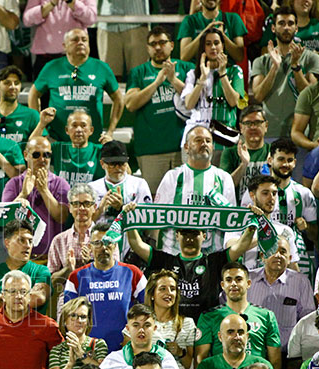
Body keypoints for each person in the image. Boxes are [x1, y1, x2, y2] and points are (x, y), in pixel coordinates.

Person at [123, 202, 255, 321]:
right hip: (174, 327)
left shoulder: (214, 261)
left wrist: (251, 227)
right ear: (177, 236)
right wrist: (129, 219)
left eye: (195, 234)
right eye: (185, 234)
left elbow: (240, 247)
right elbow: (137, 244)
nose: (189, 239)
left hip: (208, 327)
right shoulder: (166, 261)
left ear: (204, 236)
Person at [126, 26, 193, 193]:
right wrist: (156, 82)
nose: (157, 47)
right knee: (154, 199)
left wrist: (173, 79)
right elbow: (131, 104)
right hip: (151, 150)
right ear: (147, 48)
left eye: (162, 43)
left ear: (171, 45)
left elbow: (196, 100)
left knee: (185, 197)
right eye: (153, 44)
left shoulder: (187, 68)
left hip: (183, 147)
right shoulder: (138, 72)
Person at [29, 28, 123, 145]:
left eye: (84, 40)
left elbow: (118, 98)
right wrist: (40, 126)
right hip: (57, 141)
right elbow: (33, 94)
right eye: (75, 40)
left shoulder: (102, 68)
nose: (80, 43)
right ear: (64, 46)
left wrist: (110, 131)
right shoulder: (52, 67)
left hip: (92, 142)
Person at [63, 222, 147, 353]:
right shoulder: (76, 277)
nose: (103, 247)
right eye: (97, 243)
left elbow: (149, 309)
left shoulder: (133, 273)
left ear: (115, 245)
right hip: (87, 352)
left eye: (108, 242)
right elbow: (69, 318)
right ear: (90, 246)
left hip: (125, 351)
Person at [154, 125, 237, 255]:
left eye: (208, 141)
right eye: (198, 140)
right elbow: (156, 218)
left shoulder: (224, 178)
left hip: (213, 255)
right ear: (186, 147)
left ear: (213, 147)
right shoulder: (173, 176)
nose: (204, 144)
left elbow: (232, 221)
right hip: (174, 254)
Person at [196, 262, 282, 369]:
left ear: (248, 283)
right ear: (222, 285)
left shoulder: (266, 316)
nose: (233, 284)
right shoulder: (208, 317)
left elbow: (275, 360)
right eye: (228, 280)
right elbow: (200, 359)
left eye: (238, 279)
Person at [251, 138, 318, 281]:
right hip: (263, 255)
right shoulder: (253, 193)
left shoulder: (304, 194)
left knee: (298, 289)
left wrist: (306, 227)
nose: (285, 164)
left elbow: (315, 235)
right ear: (270, 160)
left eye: (290, 160)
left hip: (296, 258)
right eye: (281, 159)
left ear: (295, 162)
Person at [251, 6, 319, 140]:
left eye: (290, 23)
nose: (286, 28)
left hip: (300, 134)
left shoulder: (311, 58)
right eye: (281, 23)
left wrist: (296, 66)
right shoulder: (261, 61)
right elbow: (258, 96)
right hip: (270, 133)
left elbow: (310, 97)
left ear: (296, 28)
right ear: (273, 28)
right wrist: (274, 67)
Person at [179, 27, 244, 157]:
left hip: (224, 140)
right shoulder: (192, 74)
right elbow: (189, 104)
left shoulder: (235, 71)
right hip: (195, 139)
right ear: (203, 48)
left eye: (216, 43)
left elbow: (233, 102)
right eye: (208, 44)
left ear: (223, 46)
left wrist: (222, 73)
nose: (213, 47)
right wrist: (202, 78)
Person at [3, 136, 70, 259]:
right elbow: (6, 219)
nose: (42, 159)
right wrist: (23, 193)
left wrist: (44, 191)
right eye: (36, 155)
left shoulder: (61, 183)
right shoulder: (13, 183)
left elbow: (62, 217)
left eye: (46, 155)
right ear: (26, 155)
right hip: (19, 257)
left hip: (52, 256)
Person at [248, 237, 315, 351]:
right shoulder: (247, 278)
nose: (277, 255)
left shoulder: (301, 282)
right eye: (272, 251)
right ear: (262, 256)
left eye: (282, 251)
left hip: (287, 352)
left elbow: (308, 320)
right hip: (253, 351)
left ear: (289, 259)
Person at [224, 175, 301, 271]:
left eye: (274, 193)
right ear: (252, 195)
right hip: (246, 278)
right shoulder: (237, 226)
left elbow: (293, 265)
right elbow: (232, 250)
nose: (271, 198)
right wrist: (268, 237)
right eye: (265, 193)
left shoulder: (284, 230)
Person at [0, 219, 52, 315]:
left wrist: (0, 299)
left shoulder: (41, 271)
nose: (28, 246)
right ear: (7, 243)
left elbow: (37, 299)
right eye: (21, 240)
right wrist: (23, 298)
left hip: (30, 324)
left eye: (30, 241)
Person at [48, 298, 108, 369]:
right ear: (65, 321)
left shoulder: (98, 344)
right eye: (73, 316)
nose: (78, 320)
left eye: (83, 317)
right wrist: (70, 364)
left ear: (88, 321)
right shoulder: (57, 350)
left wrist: (81, 353)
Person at [140, 270, 196, 369]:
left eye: (172, 289)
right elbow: (128, 359)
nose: (169, 293)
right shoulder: (140, 323)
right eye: (162, 289)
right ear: (152, 295)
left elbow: (190, 365)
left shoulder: (188, 323)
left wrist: (180, 352)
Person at [48, 184, 98, 302]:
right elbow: (51, 281)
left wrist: (91, 264)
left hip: (98, 297)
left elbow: (114, 275)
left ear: (94, 207)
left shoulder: (106, 238)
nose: (81, 208)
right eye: (76, 204)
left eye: (86, 203)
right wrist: (67, 269)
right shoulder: (59, 240)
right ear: (70, 208)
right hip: (68, 300)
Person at [89, 140, 152, 231]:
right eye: (112, 164)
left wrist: (121, 208)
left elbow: (147, 220)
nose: (118, 168)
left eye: (121, 163)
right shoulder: (92, 188)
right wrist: (100, 209)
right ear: (102, 164)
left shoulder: (139, 184)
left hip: (130, 237)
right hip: (99, 238)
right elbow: (84, 224)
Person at [22, 0, 96, 78]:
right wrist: (50, 4)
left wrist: (73, 3)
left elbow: (91, 18)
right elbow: (27, 20)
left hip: (76, 58)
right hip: (46, 59)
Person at [31, 108, 104, 187]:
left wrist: (111, 146)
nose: (79, 129)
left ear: (91, 130)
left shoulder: (101, 150)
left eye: (83, 126)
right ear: (67, 130)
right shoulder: (58, 148)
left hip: (91, 195)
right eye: (74, 125)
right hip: (60, 194)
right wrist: (42, 124)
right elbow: (32, 146)